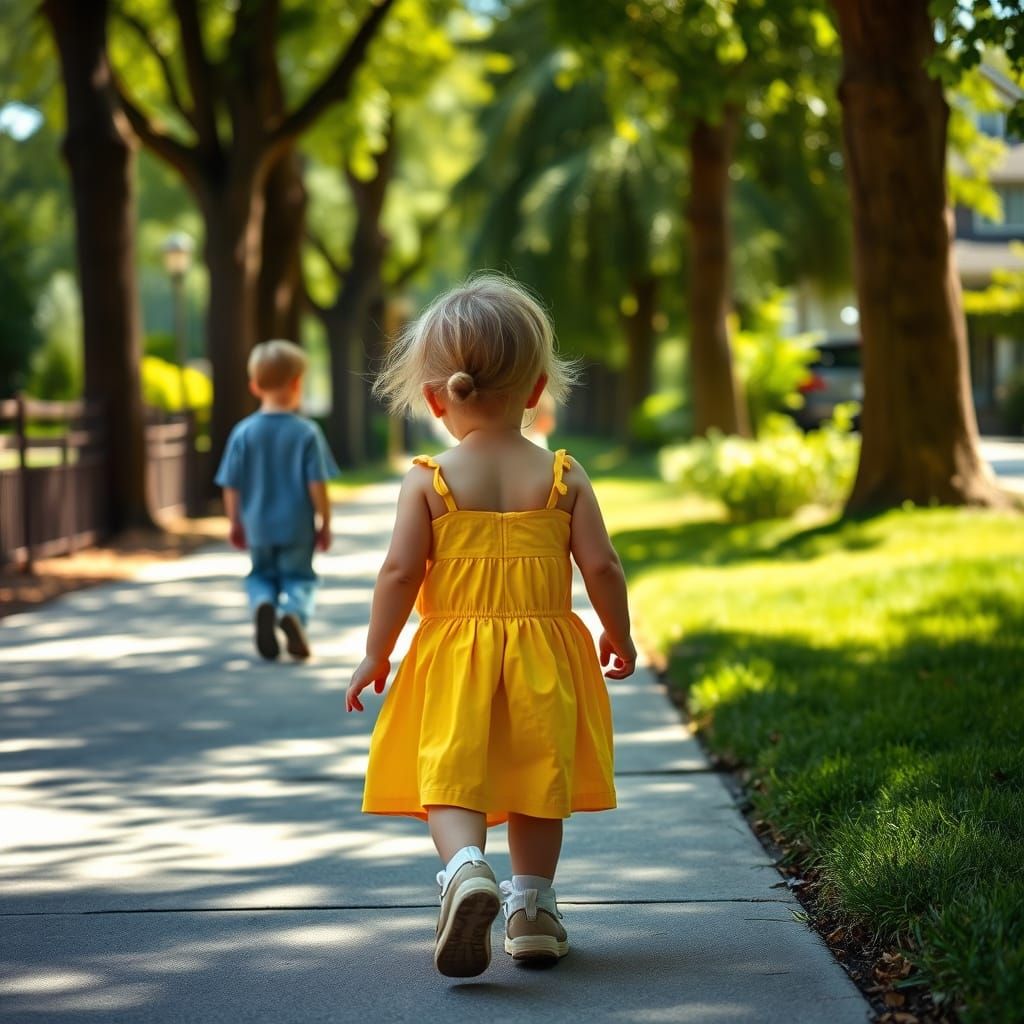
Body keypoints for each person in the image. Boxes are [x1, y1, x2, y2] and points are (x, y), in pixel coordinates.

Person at [346, 274, 636, 978]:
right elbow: (602, 567)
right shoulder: (565, 476)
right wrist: (618, 634)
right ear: (537, 389)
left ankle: (466, 870)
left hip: (453, 654)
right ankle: (532, 910)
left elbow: (398, 575)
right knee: (539, 777)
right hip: (544, 652)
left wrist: (375, 653)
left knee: (451, 774)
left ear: (438, 398)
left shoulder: (429, 479)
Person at [215, 340, 339, 662]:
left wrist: (234, 522)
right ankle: (293, 613)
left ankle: (263, 605)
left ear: (254, 386)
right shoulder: (307, 433)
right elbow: (317, 484)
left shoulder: (243, 433)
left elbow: (231, 485)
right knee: (300, 578)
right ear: (297, 384)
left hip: (257, 527)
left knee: (260, 576)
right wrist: (324, 522)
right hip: (297, 527)